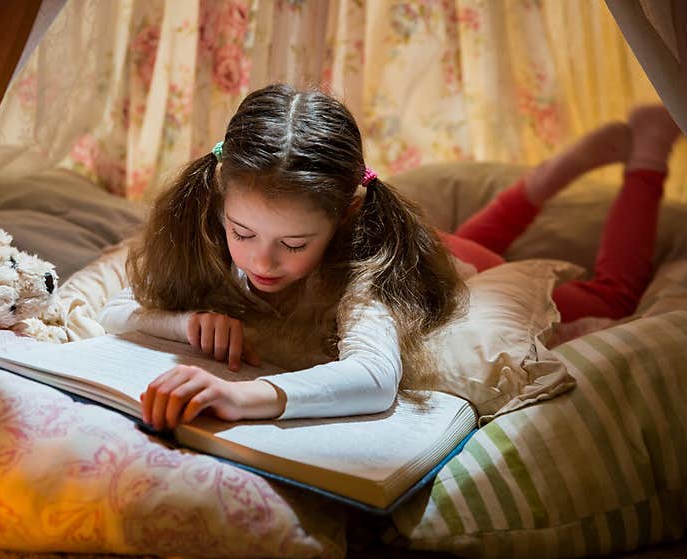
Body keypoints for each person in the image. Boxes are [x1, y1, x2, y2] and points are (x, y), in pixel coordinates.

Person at [100, 83, 466, 430]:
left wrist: (241, 395)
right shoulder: (204, 232)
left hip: (463, 253)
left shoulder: (363, 266)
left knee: (474, 244)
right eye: (242, 233)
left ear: (346, 214)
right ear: (220, 198)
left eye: (293, 245)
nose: (261, 263)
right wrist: (188, 324)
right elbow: (115, 312)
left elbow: (375, 376)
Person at [442, 104, 681, 322]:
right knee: (448, 256)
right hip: (444, 253)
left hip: (475, 291)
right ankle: (539, 183)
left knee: (614, 300)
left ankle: (650, 153)